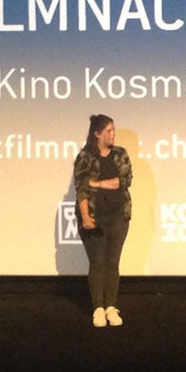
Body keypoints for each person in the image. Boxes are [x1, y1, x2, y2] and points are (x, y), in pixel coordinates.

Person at [72, 113, 133, 327]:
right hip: (93, 217)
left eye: (113, 130)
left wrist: (96, 183)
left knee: (113, 263)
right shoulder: (85, 157)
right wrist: (85, 217)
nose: (113, 134)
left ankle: (111, 307)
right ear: (97, 133)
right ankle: (98, 308)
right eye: (109, 130)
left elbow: (124, 181)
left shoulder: (120, 154)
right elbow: (81, 188)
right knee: (97, 262)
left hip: (118, 216)